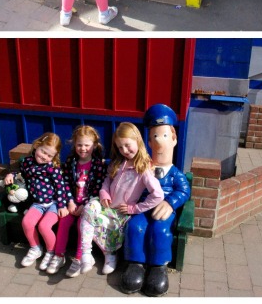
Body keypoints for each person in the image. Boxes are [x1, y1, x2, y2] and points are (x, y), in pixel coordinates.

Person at [74, 122, 164, 277]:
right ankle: (86, 254)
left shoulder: (143, 168)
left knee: (110, 230)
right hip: (105, 204)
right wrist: (104, 193)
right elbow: (108, 180)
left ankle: (110, 255)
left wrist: (134, 209)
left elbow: (158, 195)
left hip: (120, 213)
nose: (125, 151)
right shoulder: (119, 162)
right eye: (120, 147)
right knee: (88, 209)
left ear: (138, 141)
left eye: (128, 145)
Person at [121, 104, 191, 296]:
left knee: (159, 229)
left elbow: (184, 190)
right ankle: (135, 263)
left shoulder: (175, 174)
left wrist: (170, 202)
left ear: (174, 139)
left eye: (164, 135)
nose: (159, 140)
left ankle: (158, 267)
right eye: (154, 137)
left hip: (163, 210)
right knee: (135, 227)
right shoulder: (143, 168)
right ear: (149, 143)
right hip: (144, 206)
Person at [3, 132, 71, 269]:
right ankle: (36, 248)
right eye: (43, 152)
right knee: (27, 222)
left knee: (44, 226)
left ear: (54, 156)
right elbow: (21, 174)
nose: (44, 157)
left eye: (49, 155)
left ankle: (51, 252)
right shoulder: (28, 162)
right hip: (37, 203)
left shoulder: (53, 168)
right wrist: (11, 174)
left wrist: (62, 206)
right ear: (37, 146)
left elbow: (60, 187)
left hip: (53, 204)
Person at [47, 126, 108, 276]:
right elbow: (65, 184)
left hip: (87, 205)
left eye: (87, 145)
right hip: (72, 203)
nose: (83, 148)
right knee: (64, 221)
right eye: (79, 144)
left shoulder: (98, 165)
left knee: (83, 225)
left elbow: (97, 188)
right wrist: (70, 202)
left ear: (94, 145)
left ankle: (79, 258)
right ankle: (59, 255)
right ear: (74, 144)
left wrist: (84, 204)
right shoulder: (71, 162)